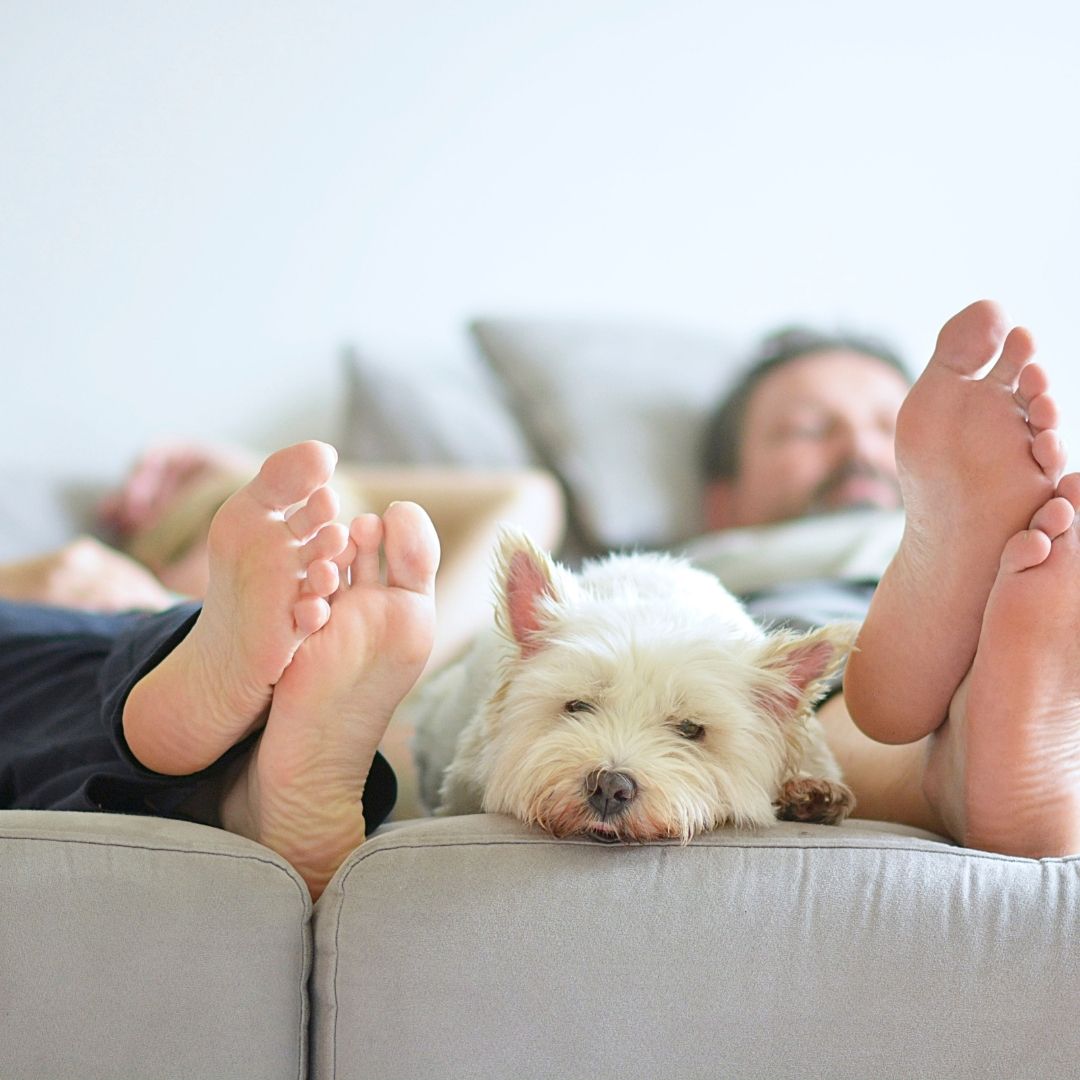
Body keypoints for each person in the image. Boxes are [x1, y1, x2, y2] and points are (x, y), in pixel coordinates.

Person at [694, 298, 1076, 858]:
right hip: (801, 602)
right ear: (721, 502)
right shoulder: (715, 561)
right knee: (793, 682)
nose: (859, 450)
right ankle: (961, 756)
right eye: (808, 430)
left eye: (888, 428)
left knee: (1031, 596)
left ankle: (965, 744)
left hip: (1005, 584)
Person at [0, 441, 441, 901]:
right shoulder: (86, 578)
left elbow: (524, 491)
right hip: (80, 664)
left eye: (334, 573)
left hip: (82, 775)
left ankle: (250, 801)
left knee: (271, 720)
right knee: (156, 639)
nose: (311, 586)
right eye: (298, 562)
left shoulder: (349, 669)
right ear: (158, 557)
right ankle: (205, 727)